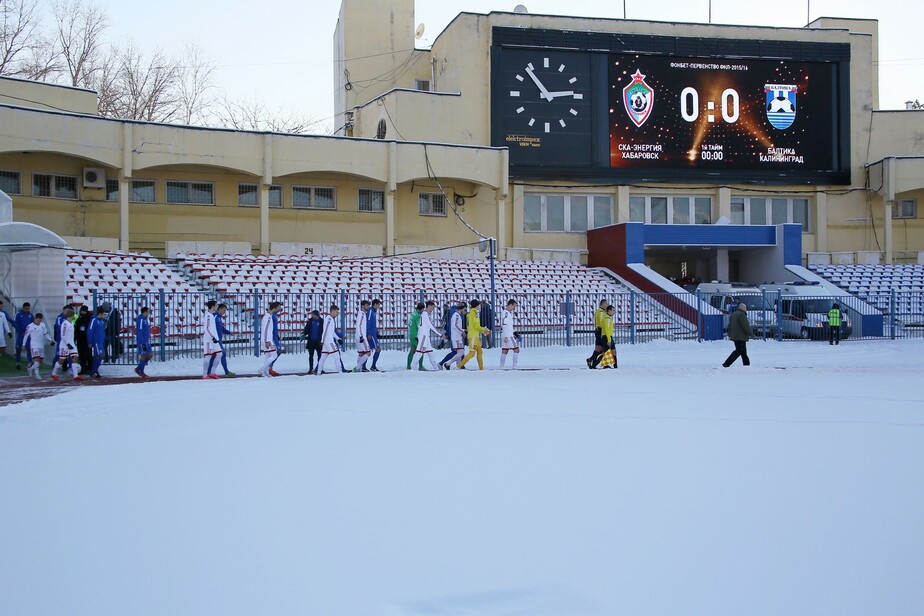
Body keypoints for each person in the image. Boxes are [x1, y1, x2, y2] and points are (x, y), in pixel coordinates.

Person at [51, 306, 81, 382]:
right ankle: (54, 373)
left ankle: (75, 375)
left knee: (75, 357)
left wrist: (71, 343)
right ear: (72, 315)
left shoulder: (71, 323)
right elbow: (63, 335)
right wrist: (68, 344)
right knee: (62, 360)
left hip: (71, 343)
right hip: (65, 344)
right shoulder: (65, 323)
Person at [458, 299, 490, 370]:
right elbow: (476, 326)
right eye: (479, 304)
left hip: (474, 336)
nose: (480, 306)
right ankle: (459, 366)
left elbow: (473, 326)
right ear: (476, 305)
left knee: (480, 352)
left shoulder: (470, 313)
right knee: (472, 353)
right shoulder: (475, 313)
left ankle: (481, 368)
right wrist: (484, 329)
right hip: (473, 337)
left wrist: (482, 330)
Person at [415, 300, 445, 370]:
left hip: (426, 337)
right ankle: (413, 369)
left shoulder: (426, 315)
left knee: (430, 353)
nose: (433, 309)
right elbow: (431, 326)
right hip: (423, 336)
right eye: (432, 307)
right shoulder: (425, 314)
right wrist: (440, 334)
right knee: (419, 353)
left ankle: (436, 369)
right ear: (429, 307)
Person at [723, 302, 754, 367]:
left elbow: (729, 325)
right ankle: (727, 363)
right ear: (743, 308)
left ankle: (746, 364)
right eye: (746, 308)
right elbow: (745, 326)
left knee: (743, 351)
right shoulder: (741, 315)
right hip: (741, 336)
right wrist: (751, 334)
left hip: (735, 336)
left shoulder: (734, 314)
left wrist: (729, 333)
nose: (746, 309)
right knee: (739, 351)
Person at [24, 312, 53, 381]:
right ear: (36, 319)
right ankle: (37, 373)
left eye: (41, 320)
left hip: (41, 345)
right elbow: (26, 336)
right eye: (38, 320)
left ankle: (30, 369)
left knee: (40, 360)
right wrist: (23, 344)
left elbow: (45, 334)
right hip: (34, 345)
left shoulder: (43, 325)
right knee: (36, 359)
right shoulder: (30, 326)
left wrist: (51, 340)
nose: (39, 321)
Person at [316, 305, 343, 375]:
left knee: (323, 357)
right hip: (329, 341)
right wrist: (322, 340)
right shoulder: (329, 319)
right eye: (336, 312)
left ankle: (318, 372)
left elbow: (331, 331)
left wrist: (338, 339)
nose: (337, 314)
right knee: (336, 355)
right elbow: (325, 330)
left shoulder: (331, 319)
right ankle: (340, 372)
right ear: (333, 311)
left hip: (326, 341)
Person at [439, 301, 466, 368]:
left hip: (455, 336)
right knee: (460, 352)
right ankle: (447, 364)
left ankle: (459, 366)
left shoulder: (455, 314)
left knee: (459, 352)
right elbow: (455, 325)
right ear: (462, 309)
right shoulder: (456, 315)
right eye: (464, 309)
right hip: (456, 336)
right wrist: (462, 331)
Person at [591, 304, 618, 369]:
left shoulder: (608, 318)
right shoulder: (607, 319)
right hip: (607, 337)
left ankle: (615, 366)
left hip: (608, 337)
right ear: (609, 311)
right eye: (613, 310)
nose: (614, 312)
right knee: (605, 353)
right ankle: (593, 365)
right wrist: (609, 339)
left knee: (613, 351)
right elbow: (607, 330)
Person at [201, 300, 223, 380]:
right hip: (208, 339)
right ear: (213, 306)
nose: (217, 306)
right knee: (208, 357)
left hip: (214, 339)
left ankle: (213, 372)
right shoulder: (208, 316)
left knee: (220, 354)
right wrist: (212, 337)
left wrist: (215, 338)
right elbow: (206, 328)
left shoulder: (212, 315)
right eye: (216, 305)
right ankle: (204, 375)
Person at [260, 301, 282, 377]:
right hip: (268, 340)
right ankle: (262, 369)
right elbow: (266, 329)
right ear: (275, 308)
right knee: (274, 355)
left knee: (268, 356)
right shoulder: (268, 317)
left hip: (266, 339)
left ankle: (266, 372)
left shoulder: (268, 316)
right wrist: (267, 340)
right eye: (278, 307)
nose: (279, 309)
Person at [586, 299, 609, 369]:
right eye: (606, 304)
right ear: (603, 304)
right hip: (600, 331)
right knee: (604, 348)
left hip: (598, 330)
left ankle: (591, 360)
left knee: (598, 349)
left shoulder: (598, 311)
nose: (607, 305)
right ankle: (603, 364)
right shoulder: (601, 312)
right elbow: (602, 322)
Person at [499, 299, 520, 369]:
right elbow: (504, 324)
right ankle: (514, 366)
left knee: (504, 350)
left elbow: (508, 325)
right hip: (508, 335)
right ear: (510, 305)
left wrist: (514, 332)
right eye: (514, 306)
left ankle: (501, 367)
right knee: (516, 349)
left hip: (506, 334)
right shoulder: (506, 313)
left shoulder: (507, 313)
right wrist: (506, 335)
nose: (514, 308)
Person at [215, 303, 235, 376]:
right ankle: (226, 372)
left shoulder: (219, 317)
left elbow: (222, 328)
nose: (224, 312)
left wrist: (229, 332)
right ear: (219, 309)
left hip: (218, 340)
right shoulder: (215, 317)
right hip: (215, 340)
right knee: (221, 354)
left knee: (216, 355)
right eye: (224, 310)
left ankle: (210, 372)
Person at [302, 310, 323, 374]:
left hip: (318, 341)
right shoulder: (310, 321)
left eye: (313, 315)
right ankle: (310, 368)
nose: (312, 316)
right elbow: (306, 329)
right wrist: (303, 334)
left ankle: (320, 368)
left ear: (317, 315)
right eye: (312, 315)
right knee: (311, 356)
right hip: (311, 341)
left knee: (319, 355)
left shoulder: (322, 321)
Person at [88, 307, 107, 378]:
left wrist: (105, 338)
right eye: (104, 314)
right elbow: (90, 331)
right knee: (100, 355)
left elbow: (101, 332)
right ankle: (94, 370)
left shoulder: (101, 321)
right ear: (100, 313)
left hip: (101, 342)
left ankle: (94, 370)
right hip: (96, 342)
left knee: (100, 356)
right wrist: (89, 341)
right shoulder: (94, 320)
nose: (104, 315)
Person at [354, 299, 372, 372]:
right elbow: (358, 325)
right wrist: (361, 336)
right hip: (361, 337)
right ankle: (357, 368)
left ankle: (359, 369)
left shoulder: (362, 314)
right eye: (366, 305)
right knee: (368, 352)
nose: (368, 307)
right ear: (362, 306)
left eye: (368, 305)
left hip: (359, 336)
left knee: (361, 354)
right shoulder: (361, 314)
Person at [13, 301, 33, 368]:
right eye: (26, 308)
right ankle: (18, 362)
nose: (27, 310)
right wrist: (20, 331)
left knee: (29, 348)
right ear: (23, 308)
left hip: (28, 335)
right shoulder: (18, 314)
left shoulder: (30, 315)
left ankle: (30, 362)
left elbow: (33, 324)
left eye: (28, 308)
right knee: (18, 349)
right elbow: (15, 323)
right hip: (20, 335)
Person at [135, 306, 153, 379]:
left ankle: (138, 368)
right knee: (144, 355)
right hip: (142, 341)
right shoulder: (141, 320)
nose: (149, 313)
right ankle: (141, 372)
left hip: (146, 340)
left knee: (150, 355)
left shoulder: (145, 320)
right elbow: (139, 331)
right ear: (145, 312)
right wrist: (142, 342)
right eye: (148, 311)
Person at [406, 302, 424, 370]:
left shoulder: (413, 314)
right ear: (422, 309)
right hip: (416, 335)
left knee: (412, 350)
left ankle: (408, 366)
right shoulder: (418, 316)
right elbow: (419, 326)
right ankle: (421, 366)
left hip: (411, 334)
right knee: (421, 350)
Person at [75, 305, 92, 375]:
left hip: (86, 340)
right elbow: (76, 329)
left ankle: (88, 368)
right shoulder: (79, 319)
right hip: (81, 340)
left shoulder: (89, 319)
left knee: (87, 355)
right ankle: (84, 368)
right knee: (83, 355)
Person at [368, 299, 382, 371]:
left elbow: (373, 324)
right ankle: (372, 366)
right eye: (378, 305)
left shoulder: (373, 312)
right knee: (377, 349)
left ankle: (364, 366)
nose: (379, 306)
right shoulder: (370, 311)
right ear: (375, 304)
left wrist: (376, 331)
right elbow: (368, 322)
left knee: (368, 351)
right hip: (371, 335)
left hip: (373, 334)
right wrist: (369, 333)